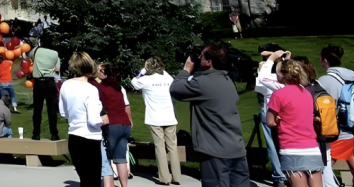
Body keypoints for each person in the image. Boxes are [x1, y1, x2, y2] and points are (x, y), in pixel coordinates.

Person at [170, 45, 250, 187]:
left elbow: (175, 89)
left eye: (201, 56)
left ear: (209, 62)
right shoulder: (227, 80)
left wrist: (186, 69)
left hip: (215, 151)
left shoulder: (202, 83)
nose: (199, 59)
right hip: (236, 149)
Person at [266, 59, 324, 187]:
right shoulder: (307, 93)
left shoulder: (278, 94)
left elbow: (270, 121)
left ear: (285, 74)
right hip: (312, 148)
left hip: (291, 148)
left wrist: (278, 120)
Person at [319, 46, 354, 187]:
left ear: (325, 60)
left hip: (338, 133)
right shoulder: (350, 77)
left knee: (323, 166)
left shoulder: (325, 80)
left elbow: (326, 107)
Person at [131, 57, 181, 186]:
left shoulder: (145, 80)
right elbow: (167, 76)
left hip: (155, 118)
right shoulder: (168, 78)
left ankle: (165, 178)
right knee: (172, 147)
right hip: (170, 116)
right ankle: (176, 176)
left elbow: (133, 81)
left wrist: (142, 72)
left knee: (160, 147)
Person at [59, 52, 105, 187]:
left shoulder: (66, 85)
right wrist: (105, 120)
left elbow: (64, 113)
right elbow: (94, 120)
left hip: (74, 137)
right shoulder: (91, 89)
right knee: (92, 181)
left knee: (84, 179)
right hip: (90, 139)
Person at [257, 47, 289, 187]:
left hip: (268, 113)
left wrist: (269, 60)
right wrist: (284, 60)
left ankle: (279, 175)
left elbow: (259, 92)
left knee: (272, 146)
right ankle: (289, 173)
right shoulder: (287, 79)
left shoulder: (265, 78)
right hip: (286, 115)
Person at [96, 63, 132, 187]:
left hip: (112, 124)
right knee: (121, 158)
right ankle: (124, 185)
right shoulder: (119, 88)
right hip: (124, 123)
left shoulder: (100, 88)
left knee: (105, 158)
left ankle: (108, 184)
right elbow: (126, 106)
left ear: (105, 74)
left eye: (100, 71)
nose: (97, 73)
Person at [31, 42, 61, 140]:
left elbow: (26, 56)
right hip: (51, 82)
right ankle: (54, 133)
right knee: (52, 110)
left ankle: (36, 133)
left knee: (37, 110)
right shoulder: (55, 53)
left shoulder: (36, 51)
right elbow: (57, 70)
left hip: (39, 82)